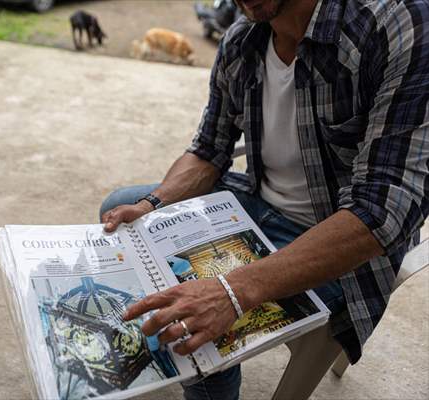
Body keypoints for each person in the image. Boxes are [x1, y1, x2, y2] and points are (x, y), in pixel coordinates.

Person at [99, 0, 429, 399]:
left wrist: (231, 291)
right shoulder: (241, 40)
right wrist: (154, 203)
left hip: (340, 243)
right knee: (123, 212)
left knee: (197, 321)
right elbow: (208, 149)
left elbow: (382, 211)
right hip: (255, 204)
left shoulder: (396, 24)